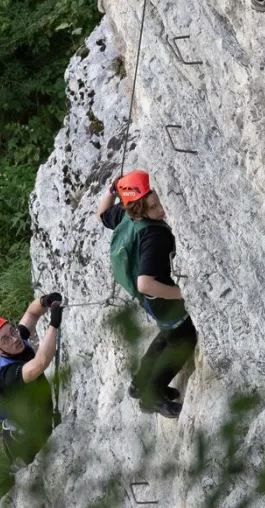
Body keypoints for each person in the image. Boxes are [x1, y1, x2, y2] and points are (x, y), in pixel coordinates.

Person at [98, 170, 196, 418]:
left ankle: (139, 383)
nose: (161, 209)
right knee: (182, 339)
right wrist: (182, 293)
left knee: (168, 332)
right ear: (139, 210)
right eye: (153, 206)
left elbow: (101, 214)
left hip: (149, 300)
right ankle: (153, 395)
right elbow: (145, 283)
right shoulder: (154, 235)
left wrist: (112, 191)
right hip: (160, 297)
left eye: (159, 201)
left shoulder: (124, 213)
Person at [0, 292, 62, 464]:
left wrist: (44, 301)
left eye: (12, 330)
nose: (15, 338)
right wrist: (53, 325)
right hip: (26, 443)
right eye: (6, 339)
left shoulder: (15, 341)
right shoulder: (6, 376)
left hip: (38, 418)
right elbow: (40, 363)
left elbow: (31, 314)